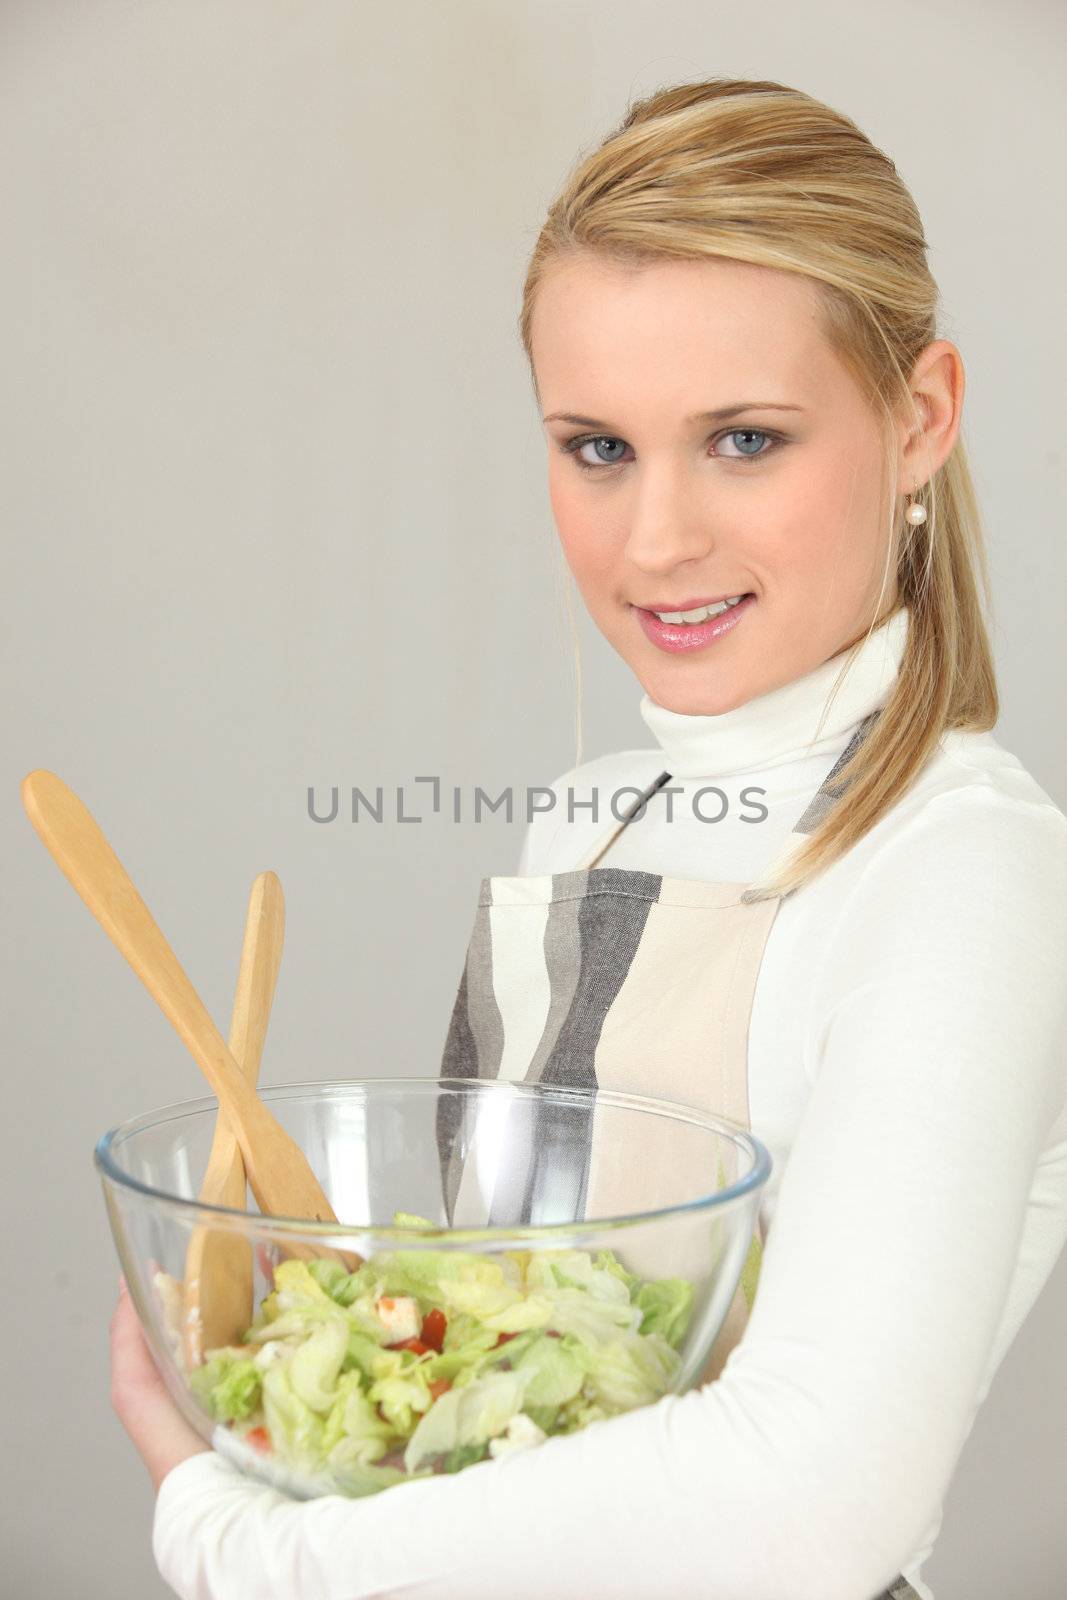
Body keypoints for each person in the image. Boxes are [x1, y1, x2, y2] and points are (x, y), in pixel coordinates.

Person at [110, 77, 1067, 1600]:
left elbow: (816, 1501)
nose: (655, 539)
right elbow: (548, 1363)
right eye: (598, 448)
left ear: (921, 418)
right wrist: (366, 1331)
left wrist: (250, 1546)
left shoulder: (969, 871)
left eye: (745, 439)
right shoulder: (590, 813)